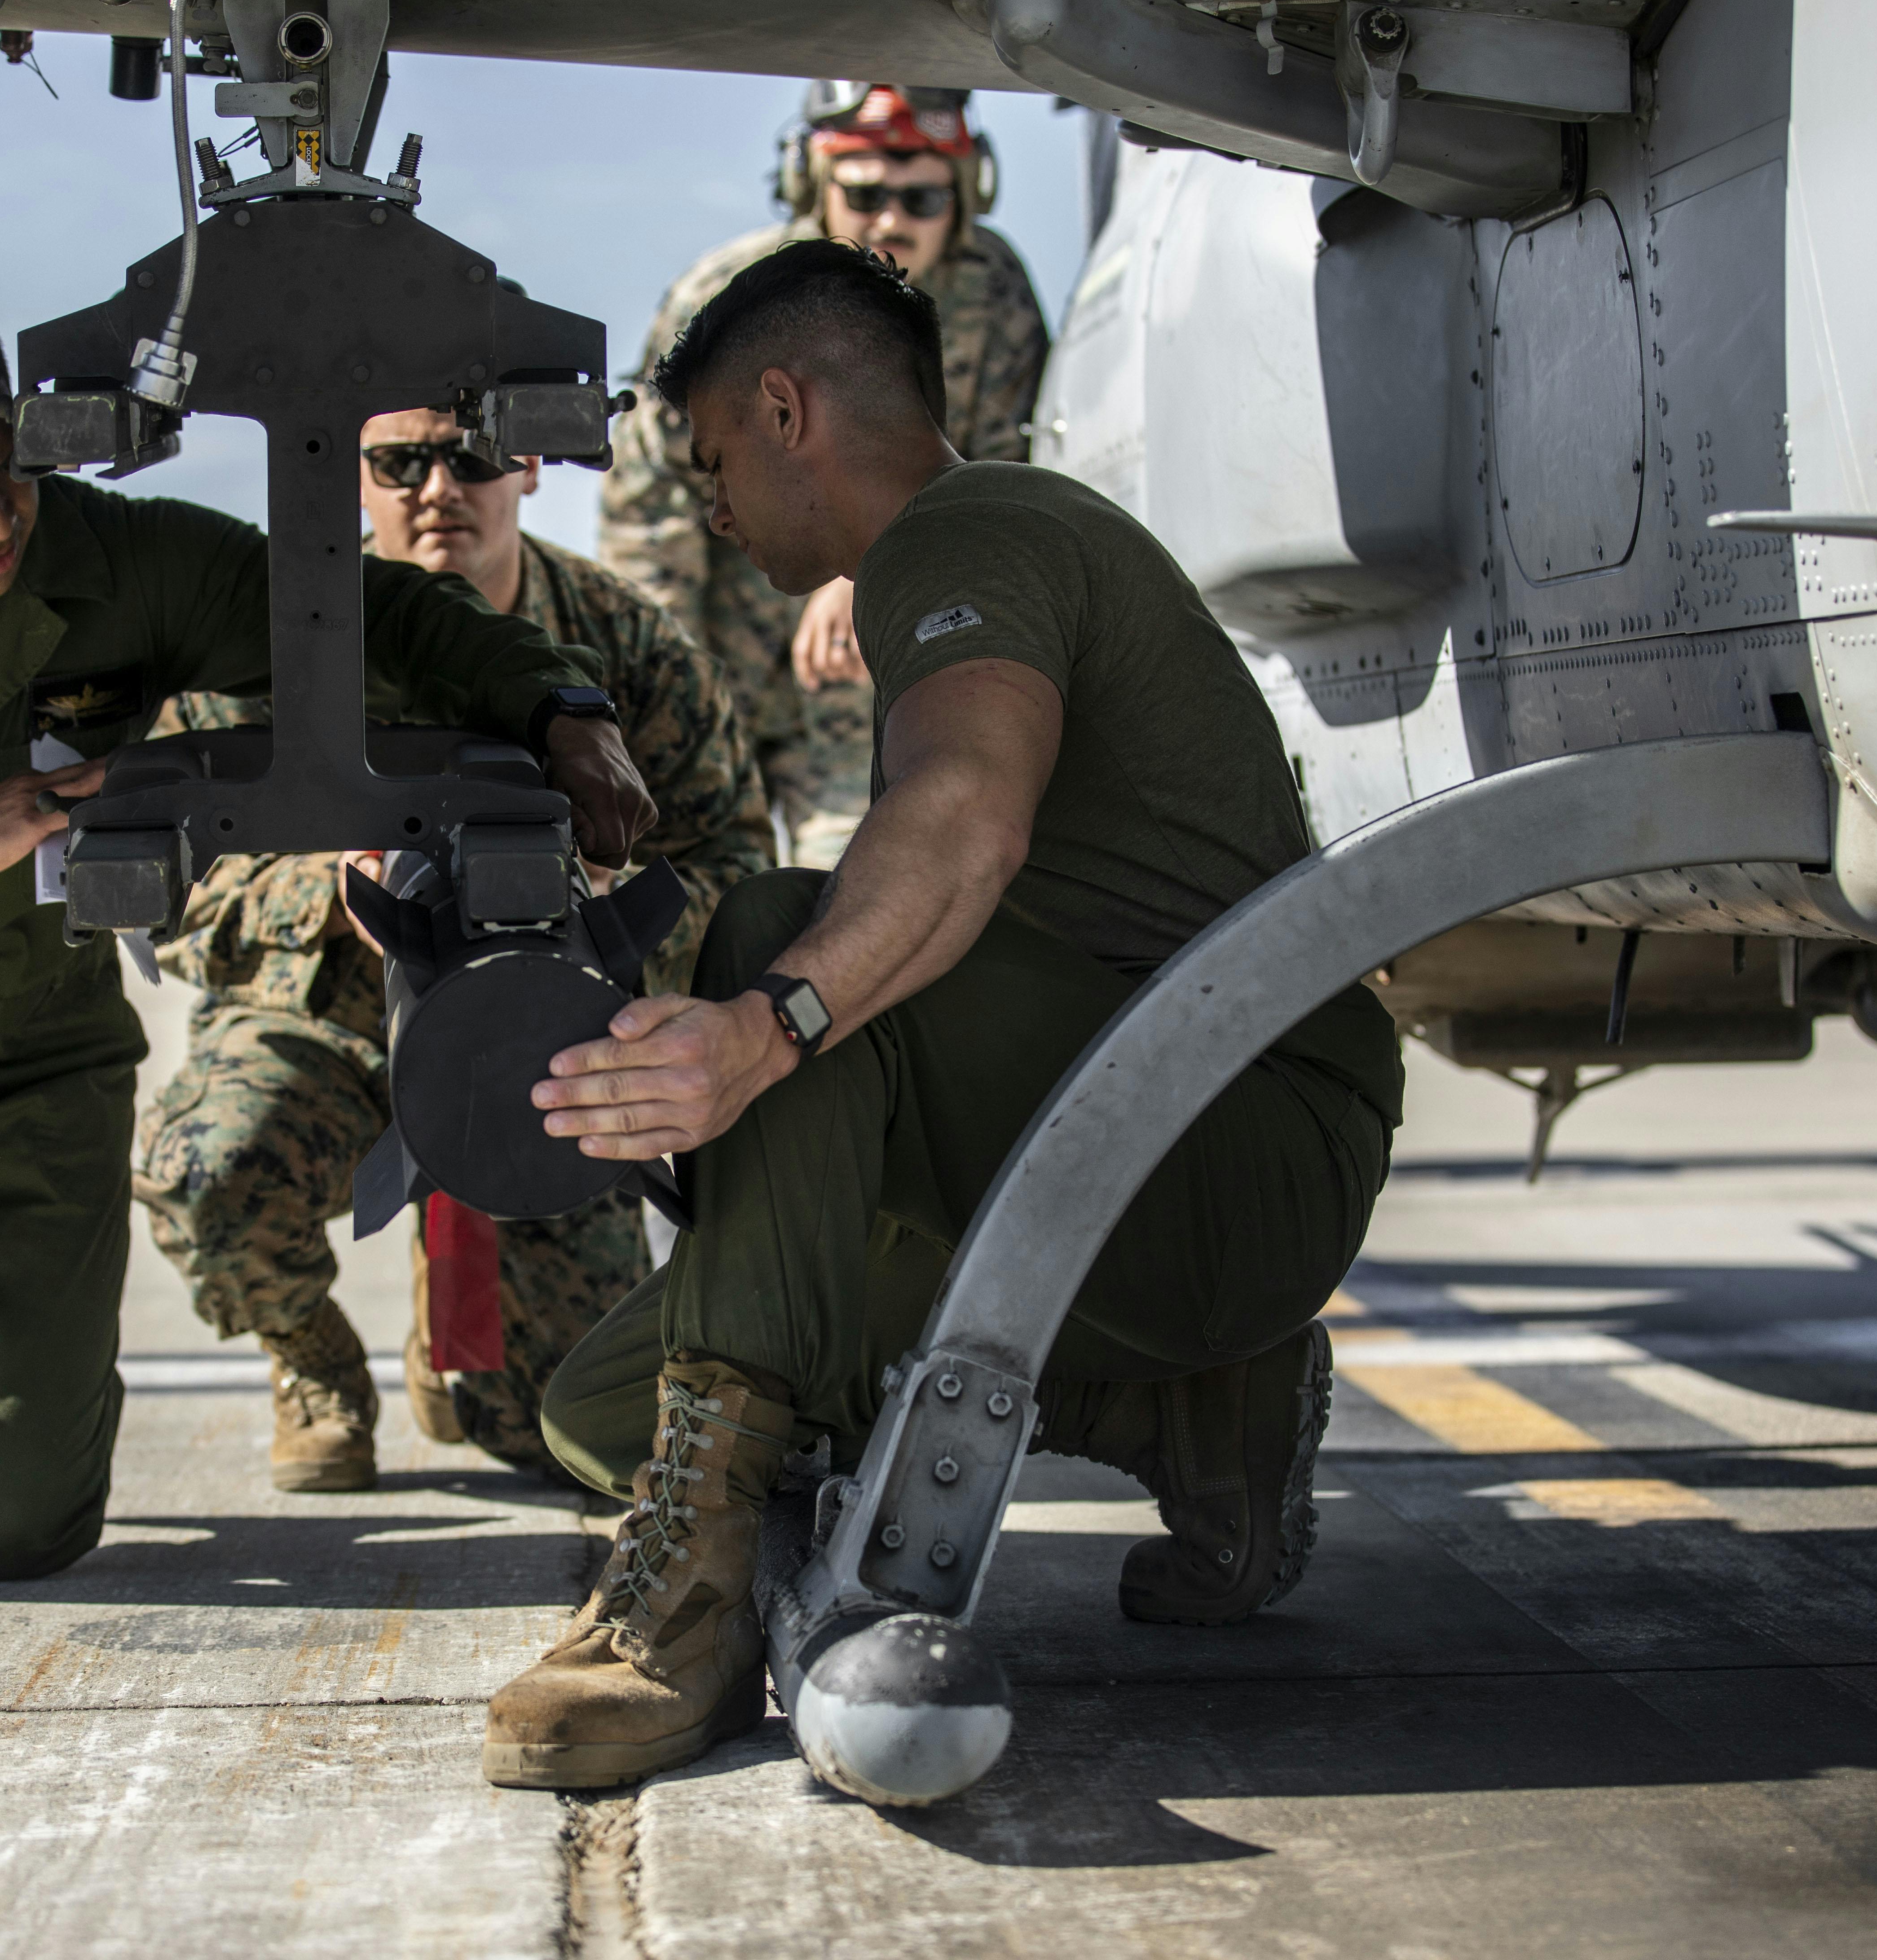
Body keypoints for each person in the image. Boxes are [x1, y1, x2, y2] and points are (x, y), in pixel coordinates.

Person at [478, 242, 1404, 1790]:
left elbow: (969, 811)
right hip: (1123, 1153)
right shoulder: (975, 548)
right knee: (599, 1403)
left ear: (788, 410)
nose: (708, 509)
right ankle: (1196, 1411)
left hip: (1231, 1142)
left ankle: (685, 1620)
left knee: (789, 929)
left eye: (714, 462)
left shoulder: (974, 531)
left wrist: (758, 1033)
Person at [0, 277, 652, 1612]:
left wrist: (561, 706)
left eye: (4, 473)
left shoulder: (115, 561)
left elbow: (365, 616)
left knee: (12, 1528)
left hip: (30, 1075)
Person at [135, 408, 771, 1490]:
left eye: (471, 455)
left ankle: (459, 1329)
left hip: (551, 1044)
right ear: (352, 476)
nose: (439, 487)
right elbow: (172, 887)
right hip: (330, 1023)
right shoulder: (262, 645)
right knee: (210, 1170)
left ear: (526, 464)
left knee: (552, 1433)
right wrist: (331, 889)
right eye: (398, 461)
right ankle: (316, 1362)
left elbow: (736, 872)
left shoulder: (623, 649)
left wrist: (602, 913)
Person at [602, 83, 1049, 868]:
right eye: (865, 192)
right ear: (814, 185)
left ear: (967, 194)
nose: (891, 222)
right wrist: (670, 689)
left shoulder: (994, 298)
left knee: (850, 885)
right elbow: (649, 506)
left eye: (922, 198)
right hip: (721, 662)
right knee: (686, 892)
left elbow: (994, 489)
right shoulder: (726, 300)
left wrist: (870, 562)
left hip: (867, 674)